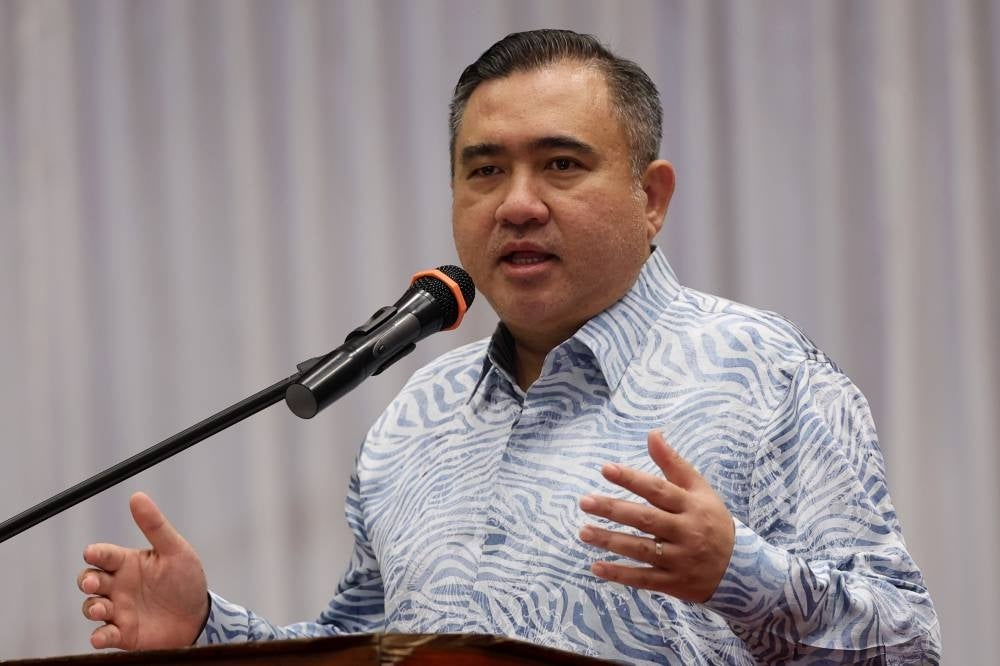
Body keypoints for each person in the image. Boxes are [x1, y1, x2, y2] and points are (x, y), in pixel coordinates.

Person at [76, 29, 941, 663]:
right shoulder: (417, 416)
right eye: (485, 171)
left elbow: (907, 647)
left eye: (561, 165)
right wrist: (206, 632)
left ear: (652, 197)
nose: (517, 204)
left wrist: (734, 572)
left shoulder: (768, 375)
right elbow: (365, 651)